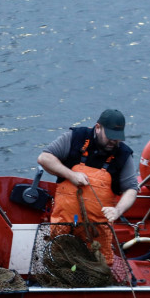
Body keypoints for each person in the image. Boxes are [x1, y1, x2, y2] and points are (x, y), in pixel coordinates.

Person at [37, 109, 140, 264]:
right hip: (64, 226)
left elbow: (131, 189)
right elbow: (44, 158)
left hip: (97, 233)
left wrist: (118, 210)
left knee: (98, 266)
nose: (114, 141)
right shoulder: (75, 138)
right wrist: (71, 175)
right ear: (98, 127)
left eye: (118, 138)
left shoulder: (123, 154)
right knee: (60, 263)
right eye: (110, 136)